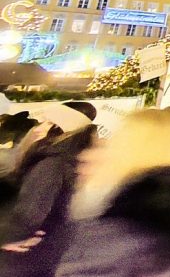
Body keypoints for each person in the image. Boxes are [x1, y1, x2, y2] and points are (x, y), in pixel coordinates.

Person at [55, 109, 170, 277]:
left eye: (111, 145)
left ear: (132, 153)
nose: (86, 155)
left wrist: (91, 197)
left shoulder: (121, 233)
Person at [0, 103, 96, 277]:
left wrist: (6, 237)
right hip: (39, 256)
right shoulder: (63, 162)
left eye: (48, 123)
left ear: (62, 131)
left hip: (21, 260)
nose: (38, 128)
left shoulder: (51, 165)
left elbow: (28, 217)